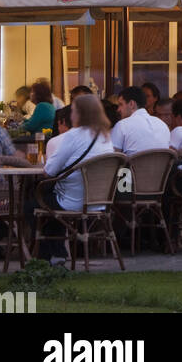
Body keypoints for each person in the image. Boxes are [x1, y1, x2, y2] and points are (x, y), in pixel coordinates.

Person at [33, 95, 114, 261]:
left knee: (33, 204)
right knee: (49, 203)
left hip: (72, 200)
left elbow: (48, 171)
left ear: (80, 114)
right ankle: (57, 255)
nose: (71, 116)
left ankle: (50, 256)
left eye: (74, 111)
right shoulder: (105, 136)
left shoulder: (73, 135)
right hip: (99, 201)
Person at [110, 86, 170, 155]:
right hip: (161, 166)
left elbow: (113, 158)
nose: (118, 109)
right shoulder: (162, 124)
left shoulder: (122, 125)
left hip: (133, 166)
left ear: (131, 104)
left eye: (121, 104)